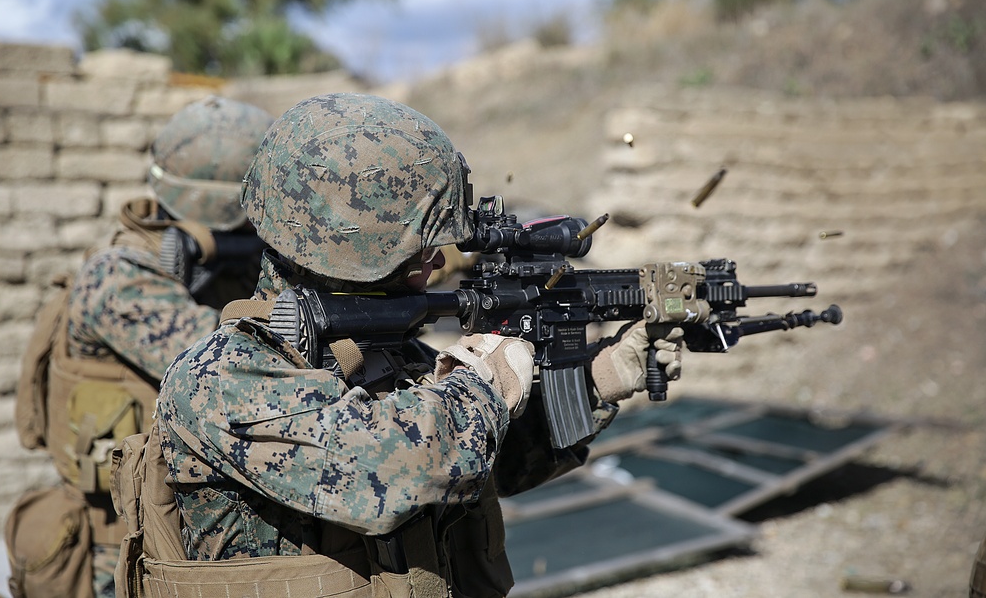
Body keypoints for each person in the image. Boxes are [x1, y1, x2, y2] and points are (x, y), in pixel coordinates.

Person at [133, 92, 682, 598]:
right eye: (422, 245)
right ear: (355, 241)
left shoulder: (384, 356)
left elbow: (491, 466)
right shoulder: (223, 378)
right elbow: (388, 474)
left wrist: (599, 379)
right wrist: (485, 383)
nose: (439, 260)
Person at [7, 95, 274, 598]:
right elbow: (231, 365)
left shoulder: (217, 265)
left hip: (177, 535)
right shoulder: (119, 278)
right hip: (119, 553)